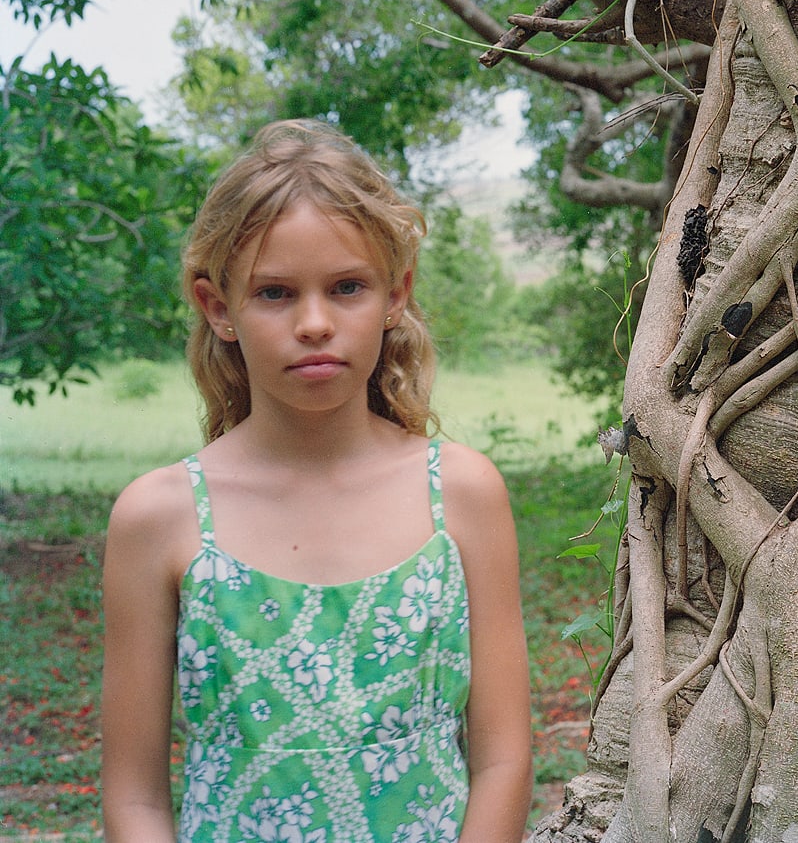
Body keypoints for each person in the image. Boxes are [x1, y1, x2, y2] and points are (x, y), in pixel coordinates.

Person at [100, 120, 532, 843]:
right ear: (218, 307)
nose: (313, 322)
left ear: (396, 296)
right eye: (274, 293)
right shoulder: (159, 518)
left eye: (347, 288)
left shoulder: (461, 495)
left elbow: (504, 759)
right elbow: (135, 797)